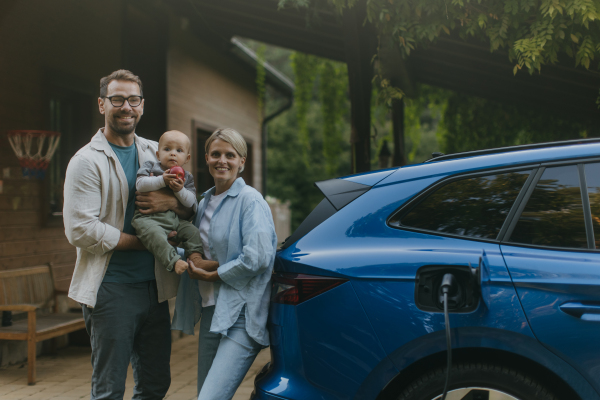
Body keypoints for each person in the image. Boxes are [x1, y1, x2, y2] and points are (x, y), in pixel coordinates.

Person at [63, 69, 194, 400]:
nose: (126, 107)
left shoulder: (157, 151)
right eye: (117, 99)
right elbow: (80, 229)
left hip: (154, 287)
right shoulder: (86, 161)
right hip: (112, 289)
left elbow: (189, 202)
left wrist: (172, 205)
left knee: (155, 384)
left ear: (142, 105)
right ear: (101, 104)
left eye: (133, 100)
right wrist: (148, 243)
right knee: (109, 389)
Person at [172, 128, 277, 400]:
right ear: (206, 158)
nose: (223, 160)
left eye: (230, 155)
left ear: (242, 161)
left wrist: (215, 274)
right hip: (211, 312)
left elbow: (258, 257)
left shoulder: (250, 201)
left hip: (241, 314)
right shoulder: (204, 201)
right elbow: (202, 253)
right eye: (216, 154)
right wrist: (170, 245)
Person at [132, 130, 204, 275]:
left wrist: (179, 191)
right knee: (155, 235)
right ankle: (174, 261)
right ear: (158, 154)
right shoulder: (151, 166)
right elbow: (140, 184)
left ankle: (196, 258)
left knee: (193, 232)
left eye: (179, 150)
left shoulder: (187, 177)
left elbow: (190, 201)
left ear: (187, 158)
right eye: (167, 149)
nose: (173, 153)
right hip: (148, 219)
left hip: (174, 220)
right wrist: (161, 180)